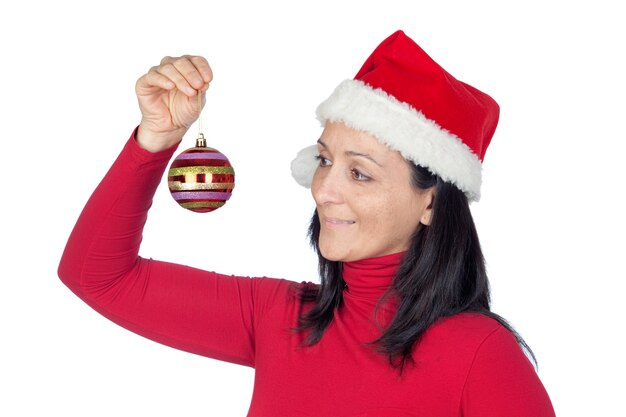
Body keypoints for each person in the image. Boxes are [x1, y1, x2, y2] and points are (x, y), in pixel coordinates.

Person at [58, 30, 555, 416]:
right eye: (323, 161)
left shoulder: (480, 356)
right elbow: (98, 276)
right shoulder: (281, 318)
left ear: (431, 202)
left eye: (359, 172)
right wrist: (157, 137)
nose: (323, 190)